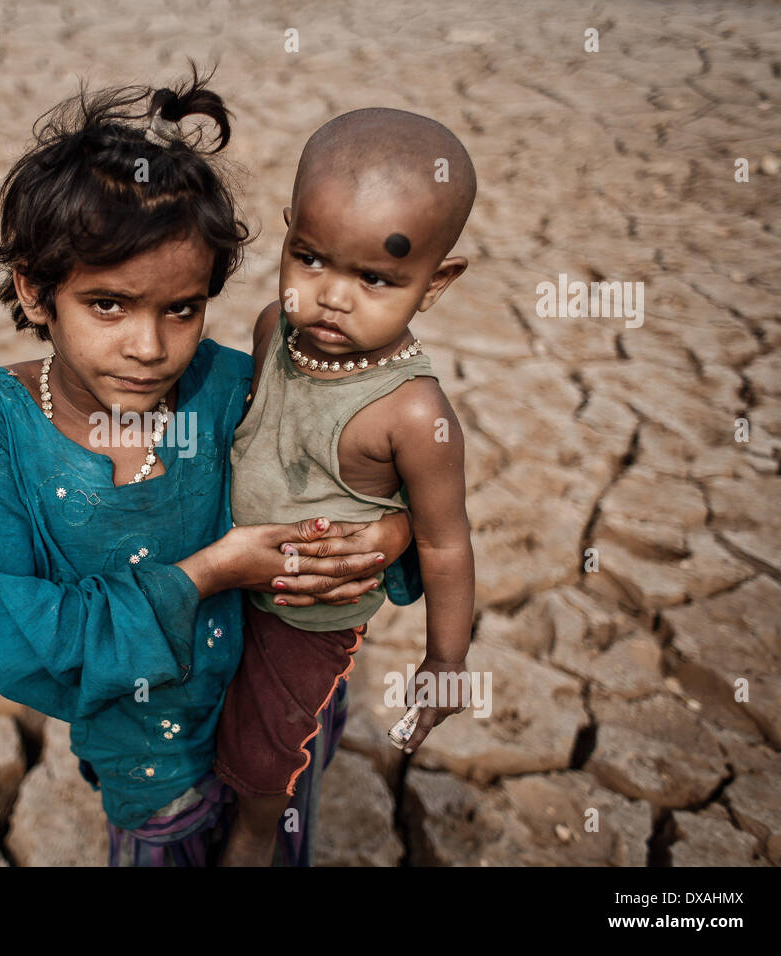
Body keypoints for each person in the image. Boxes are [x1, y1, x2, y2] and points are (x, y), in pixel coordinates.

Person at [0, 65, 422, 867]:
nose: (149, 346)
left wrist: (392, 536)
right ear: (34, 292)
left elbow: (375, 482)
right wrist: (207, 574)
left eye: (182, 308)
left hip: (272, 724)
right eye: (107, 305)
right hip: (148, 758)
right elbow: (21, 638)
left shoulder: (232, 386)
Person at [213, 108, 479, 866]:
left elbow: (445, 539)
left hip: (309, 615)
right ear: (290, 232)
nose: (332, 295)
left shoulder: (412, 409)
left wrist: (446, 661)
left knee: (269, 748)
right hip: (232, 581)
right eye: (312, 258)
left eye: (375, 278)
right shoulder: (274, 329)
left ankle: (255, 836)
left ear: (435, 283)